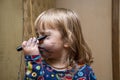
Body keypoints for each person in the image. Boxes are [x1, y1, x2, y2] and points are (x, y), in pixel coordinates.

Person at [22, 8, 96, 80]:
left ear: (68, 40)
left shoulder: (85, 71)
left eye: (44, 36)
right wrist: (32, 61)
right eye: (37, 35)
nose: (37, 41)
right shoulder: (37, 67)